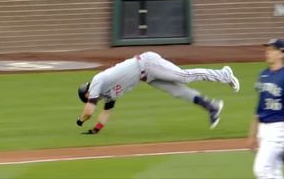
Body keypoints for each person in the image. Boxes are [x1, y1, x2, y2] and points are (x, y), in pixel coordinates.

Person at [76, 51, 240, 134]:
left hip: (147, 63)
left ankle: (224, 75)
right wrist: (95, 130)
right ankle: (212, 107)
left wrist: (80, 121)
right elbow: (106, 112)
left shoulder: (97, 80)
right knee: (179, 92)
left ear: (86, 93)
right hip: (147, 76)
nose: (91, 99)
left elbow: (89, 111)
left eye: (88, 98)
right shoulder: (108, 94)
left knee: (183, 77)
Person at [248, 38, 284, 179]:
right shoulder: (263, 75)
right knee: (273, 171)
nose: (267, 52)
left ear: (281, 53)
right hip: (263, 129)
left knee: (261, 169)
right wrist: (253, 133)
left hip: (278, 128)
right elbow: (260, 106)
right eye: (267, 49)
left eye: (271, 49)